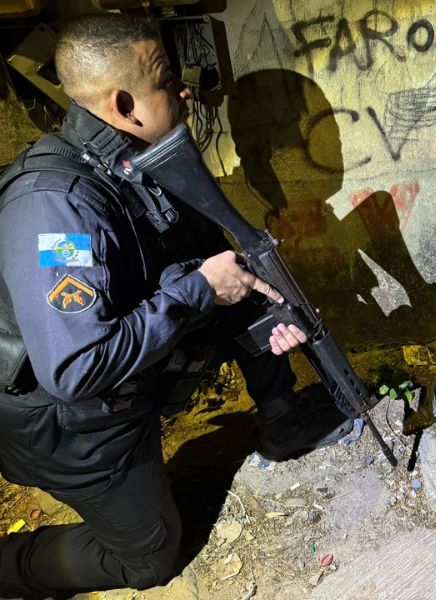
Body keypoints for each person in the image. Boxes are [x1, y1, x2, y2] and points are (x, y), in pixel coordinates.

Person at [0, 14, 352, 598]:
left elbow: (192, 263)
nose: (186, 89)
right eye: (167, 79)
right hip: (68, 424)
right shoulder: (56, 210)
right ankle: (11, 565)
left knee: (245, 288)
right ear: (123, 104)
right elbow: (73, 370)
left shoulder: (135, 162)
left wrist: (256, 311)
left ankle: (282, 425)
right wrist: (199, 290)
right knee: (149, 559)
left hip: (120, 378)